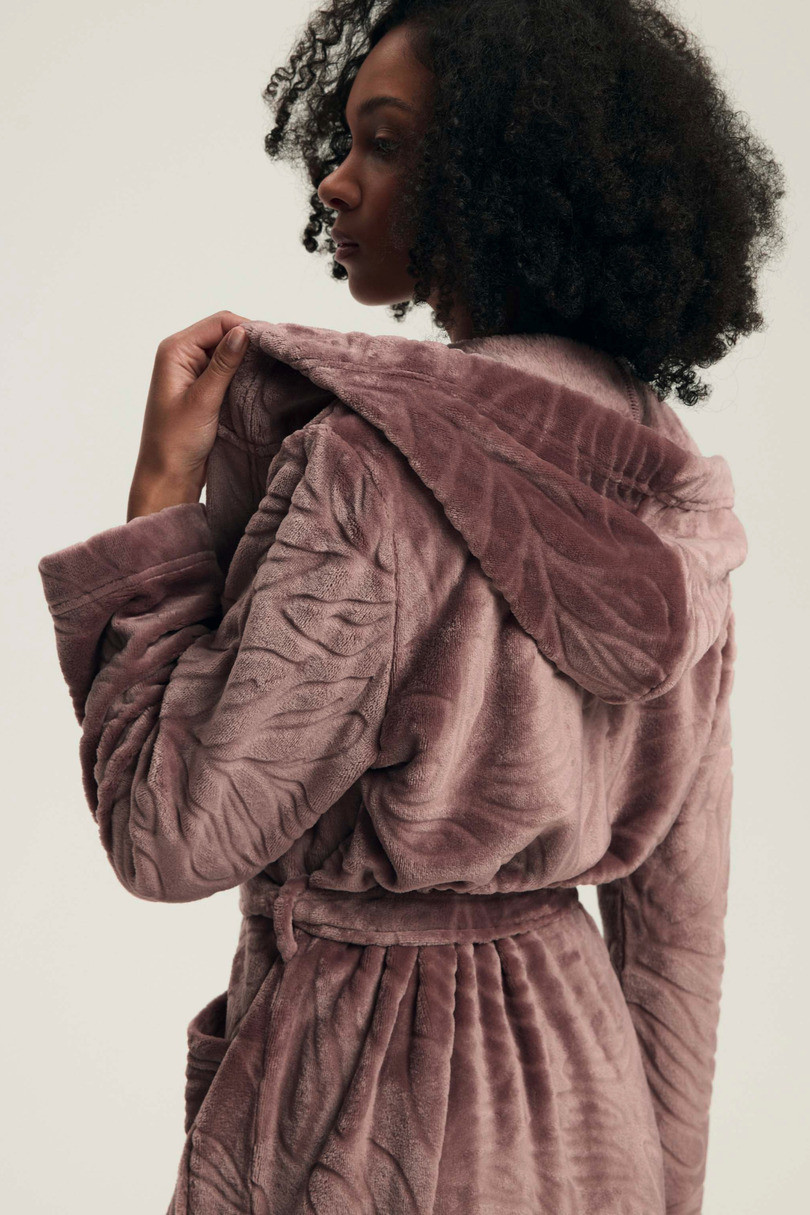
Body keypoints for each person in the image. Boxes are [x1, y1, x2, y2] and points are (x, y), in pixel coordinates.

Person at [38, 2, 785, 1212]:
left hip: (374, 1094)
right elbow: (677, 924)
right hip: (590, 1111)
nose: (333, 182)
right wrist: (663, 1190)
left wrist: (161, 496)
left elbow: (170, 831)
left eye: (384, 145)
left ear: (501, 183)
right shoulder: (673, 491)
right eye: (343, 141)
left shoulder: (371, 472)